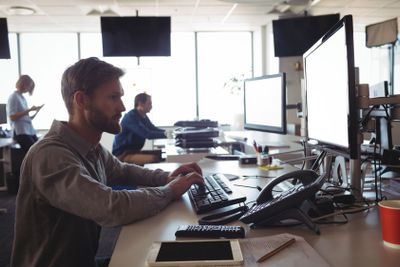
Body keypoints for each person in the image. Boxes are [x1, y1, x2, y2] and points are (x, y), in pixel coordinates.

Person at [10, 57, 204, 267]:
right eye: (113, 98)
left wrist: (167, 177)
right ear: (82, 100)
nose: (121, 107)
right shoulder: (51, 154)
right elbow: (111, 207)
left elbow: (122, 171)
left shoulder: (90, 147)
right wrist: (168, 191)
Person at [112, 92, 167, 165]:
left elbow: (153, 128)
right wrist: (168, 134)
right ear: (140, 103)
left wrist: (169, 133)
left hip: (133, 151)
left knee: (162, 154)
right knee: (153, 158)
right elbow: (148, 134)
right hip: (122, 154)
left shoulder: (143, 116)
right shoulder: (131, 117)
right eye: (149, 103)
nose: (151, 106)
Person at [7, 75, 43, 153]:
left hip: (28, 130)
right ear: (23, 84)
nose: (28, 89)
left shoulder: (22, 98)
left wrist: (36, 111)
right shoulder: (13, 97)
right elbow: (12, 117)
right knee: (35, 153)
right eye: (28, 86)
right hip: (20, 131)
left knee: (41, 150)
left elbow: (27, 118)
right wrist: (29, 110)